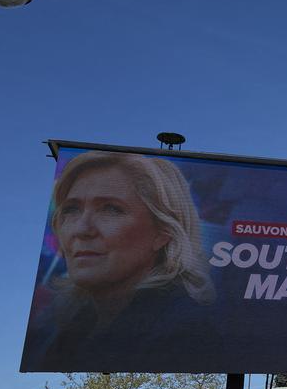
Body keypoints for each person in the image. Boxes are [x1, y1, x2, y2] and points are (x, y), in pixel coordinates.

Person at [22, 151, 217, 371]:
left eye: (111, 209)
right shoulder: (69, 326)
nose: (81, 229)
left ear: (164, 232)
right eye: (71, 209)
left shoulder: (187, 330)